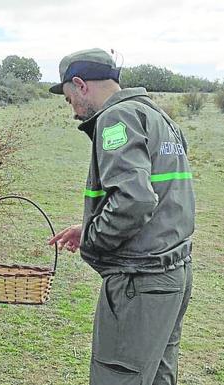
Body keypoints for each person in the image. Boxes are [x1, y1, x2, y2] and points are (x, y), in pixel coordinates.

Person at [47, 48, 195, 385]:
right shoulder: (157, 116)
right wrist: (88, 227)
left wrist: (95, 239)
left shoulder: (117, 118)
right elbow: (160, 198)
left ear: (80, 84)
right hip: (173, 273)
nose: (73, 112)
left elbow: (135, 200)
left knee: (118, 377)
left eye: (70, 100)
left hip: (139, 281)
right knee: (156, 375)